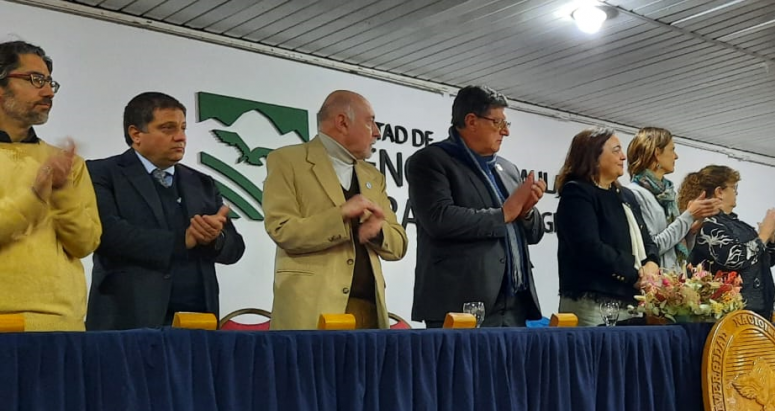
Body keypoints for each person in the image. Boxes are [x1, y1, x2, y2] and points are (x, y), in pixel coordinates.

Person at [86, 92, 245, 329]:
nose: (180, 137)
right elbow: (108, 234)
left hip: (197, 322)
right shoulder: (101, 173)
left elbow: (235, 248)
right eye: (168, 128)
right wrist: (184, 240)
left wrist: (215, 239)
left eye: (183, 128)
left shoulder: (201, 183)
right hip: (127, 320)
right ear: (136, 134)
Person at [263, 90, 407, 329]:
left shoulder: (374, 176)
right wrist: (340, 215)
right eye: (370, 121)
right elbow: (282, 230)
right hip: (312, 315)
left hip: (370, 313)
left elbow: (399, 244)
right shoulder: (287, 160)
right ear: (342, 122)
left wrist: (378, 232)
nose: (377, 132)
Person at [406, 85, 544, 328]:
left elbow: (533, 234)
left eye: (506, 124)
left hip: (513, 305)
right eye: (498, 123)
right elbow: (440, 219)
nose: (505, 132)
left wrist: (526, 213)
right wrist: (503, 214)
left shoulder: (508, 169)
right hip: (460, 303)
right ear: (471, 121)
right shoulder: (431, 160)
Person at [0, 40, 100, 331]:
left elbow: (85, 243)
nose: (48, 92)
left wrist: (61, 191)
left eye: (49, 82)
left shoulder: (68, 164)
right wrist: (36, 194)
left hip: (62, 325)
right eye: (35, 80)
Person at [555, 128, 659, 326]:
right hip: (593, 302)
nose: (623, 157)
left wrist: (651, 265)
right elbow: (588, 247)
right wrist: (633, 274)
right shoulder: (577, 193)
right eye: (616, 150)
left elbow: (647, 240)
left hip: (633, 301)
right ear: (593, 156)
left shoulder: (626, 196)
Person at [685, 165, 775, 319]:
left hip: (758, 310)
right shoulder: (707, 225)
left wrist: (770, 236)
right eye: (733, 187)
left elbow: (766, 260)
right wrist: (762, 235)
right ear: (719, 192)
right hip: (730, 313)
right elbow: (733, 258)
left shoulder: (740, 226)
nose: (736, 192)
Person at [623, 127, 717, 270]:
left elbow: (676, 252)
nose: (676, 156)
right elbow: (651, 248)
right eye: (672, 149)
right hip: (653, 285)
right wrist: (688, 216)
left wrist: (690, 231)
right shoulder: (635, 194)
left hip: (671, 282)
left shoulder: (667, 196)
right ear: (657, 153)